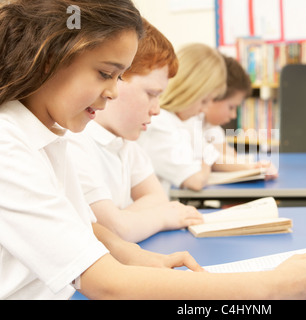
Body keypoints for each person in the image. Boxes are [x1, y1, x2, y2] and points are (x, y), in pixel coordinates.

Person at [0, 0, 306, 300]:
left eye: (118, 78)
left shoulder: (48, 135)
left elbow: (81, 224)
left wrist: (130, 254)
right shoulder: (8, 144)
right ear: (49, 57)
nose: (113, 93)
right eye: (106, 73)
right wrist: (273, 286)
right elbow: (108, 286)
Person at [66, 19, 203, 243]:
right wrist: (160, 218)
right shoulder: (74, 142)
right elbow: (116, 231)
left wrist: (123, 220)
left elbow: (157, 198)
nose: (157, 109)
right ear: (115, 77)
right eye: (150, 94)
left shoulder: (126, 143)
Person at [138, 43, 227, 193]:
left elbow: (208, 154)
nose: (204, 110)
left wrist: (205, 159)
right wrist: (206, 161)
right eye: (204, 101)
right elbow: (195, 180)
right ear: (189, 91)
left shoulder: (183, 121)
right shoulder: (159, 122)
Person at [188, 54, 279, 176]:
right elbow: (214, 160)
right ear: (214, 95)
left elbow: (226, 153)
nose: (233, 115)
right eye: (231, 107)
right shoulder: (189, 120)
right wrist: (254, 167)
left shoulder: (208, 122)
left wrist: (248, 165)